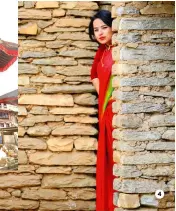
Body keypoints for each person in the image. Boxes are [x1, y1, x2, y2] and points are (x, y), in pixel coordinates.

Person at [89, 10, 117, 211]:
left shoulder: (118, 49)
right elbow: (94, 74)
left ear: (113, 26)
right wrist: (104, 101)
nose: (99, 32)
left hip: (117, 115)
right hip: (106, 113)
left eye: (104, 27)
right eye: (96, 29)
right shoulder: (102, 51)